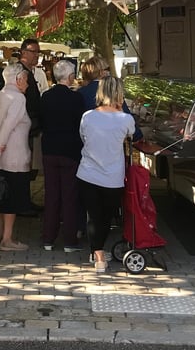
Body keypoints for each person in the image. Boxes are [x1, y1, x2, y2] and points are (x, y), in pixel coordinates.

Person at [77, 76, 135, 273]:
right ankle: (99, 252)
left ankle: (98, 254)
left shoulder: (88, 116)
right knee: (106, 216)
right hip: (113, 175)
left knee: (93, 215)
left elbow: (83, 138)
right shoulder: (126, 119)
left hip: (87, 172)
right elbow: (132, 135)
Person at [0, 62, 32, 251]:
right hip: (12, 158)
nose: (27, 83)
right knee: (11, 198)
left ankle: (1, 234)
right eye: (25, 79)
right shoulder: (18, 99)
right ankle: (7, 240)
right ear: (18, 80)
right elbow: (8, 127)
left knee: (1, 197)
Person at [40, 60, 85, 252]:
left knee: (51, 195)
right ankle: (69, 241)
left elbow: (41, 121)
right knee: (69, 196)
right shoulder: (76, 98)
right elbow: (81, 125)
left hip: (49, 149)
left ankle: (48, 238)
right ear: (70, 77)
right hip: (70, 151)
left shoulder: (45, 97)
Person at [78, 55, 143, 142]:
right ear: (101, 72)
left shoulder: (79, 93)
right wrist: (138, 136)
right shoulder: (112, 92)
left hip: (89, 143)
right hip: (113, 142)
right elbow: (125, 115)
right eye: (107, 69)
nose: (109, 72)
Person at [18, 38, 48, 213]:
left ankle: (24, 201)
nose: (37, 55)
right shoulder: (21, 73)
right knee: (24, 167)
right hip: (25, 128)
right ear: (24, 52)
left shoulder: (31, 72)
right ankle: (22, 203)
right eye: (34, 51)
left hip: (31, 127)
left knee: (28, 167)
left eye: (38, 52)